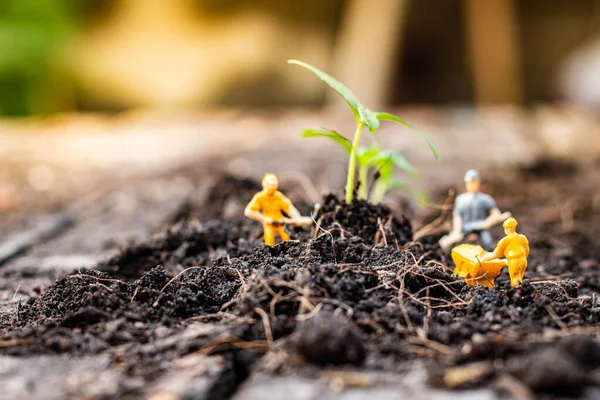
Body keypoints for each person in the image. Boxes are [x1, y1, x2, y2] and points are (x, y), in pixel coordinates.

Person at [439, 169, 511, 250]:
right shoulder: (460, 199)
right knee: (451, 244)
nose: (471, 185)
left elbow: (495, 214)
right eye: (469, 182)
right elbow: (457, 216)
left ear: (478, 182)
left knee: (487, 242)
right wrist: (457, 231)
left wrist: (488, 223)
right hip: (465, 228)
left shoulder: (485, 199)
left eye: (474, 182)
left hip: (480, 227)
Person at [244, 173, 306, 246]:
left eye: (274, 185)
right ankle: (269, 254)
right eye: (271, 185)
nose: (273, 187)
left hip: (280, 221)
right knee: (269, 238)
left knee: (285, 236)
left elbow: (289, 207)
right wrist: (263, 218)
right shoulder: (260, 197)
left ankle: (288, 251)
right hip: (269, 223)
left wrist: (297, 218)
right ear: (264, 184)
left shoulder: (278, 196)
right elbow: (248, 211)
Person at [480, 217, 529, 286]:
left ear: (506, 229)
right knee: (520, 277)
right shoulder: (522, 238)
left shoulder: (504, 241)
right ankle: (522, 294)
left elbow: (495, 255)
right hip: (523, 261)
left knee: (515, 278)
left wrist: (483, 258)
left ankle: (517, 293)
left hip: (514, 262)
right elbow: (527, 250)